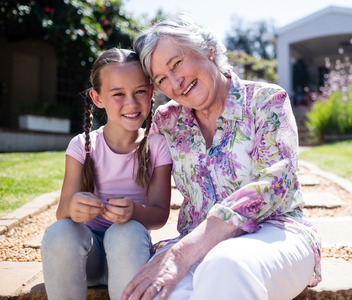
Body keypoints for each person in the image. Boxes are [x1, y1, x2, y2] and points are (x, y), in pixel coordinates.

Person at [123, 14, 322, 300]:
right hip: (195, 249)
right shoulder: (167, 121)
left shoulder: (266, 100)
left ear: (208, 51)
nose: (176, 82)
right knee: (156, 293)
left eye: (177, 63)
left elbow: (275, 181)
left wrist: (182, 251)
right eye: (162, 79)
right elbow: (137, 179)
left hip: (275, 234)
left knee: (227, 265)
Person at [41, 48, 173, 300]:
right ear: (97, 98)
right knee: (59, 231)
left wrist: (133, 211)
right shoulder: (82, 145)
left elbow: (159, 214)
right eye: (118, 94)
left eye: (140, 92)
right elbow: (62, 212)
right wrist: (74, 206)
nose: (131, 103)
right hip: (87, 257)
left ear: (151, 93)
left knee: (126, 231)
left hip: (129, 254)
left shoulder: (157, 146)